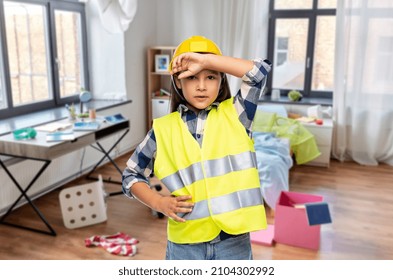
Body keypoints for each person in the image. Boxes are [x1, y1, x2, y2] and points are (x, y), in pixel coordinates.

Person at [122, 35, 271, 260]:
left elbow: (258, 73)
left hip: (234, 241)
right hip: (185, 244)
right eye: (191, 77)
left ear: (221, 80)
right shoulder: (161, 130)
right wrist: (158, 202)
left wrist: (207, 61)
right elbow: (131, 175)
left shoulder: (238, 115)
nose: (201, 86)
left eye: (210, 77)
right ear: (178, 82)